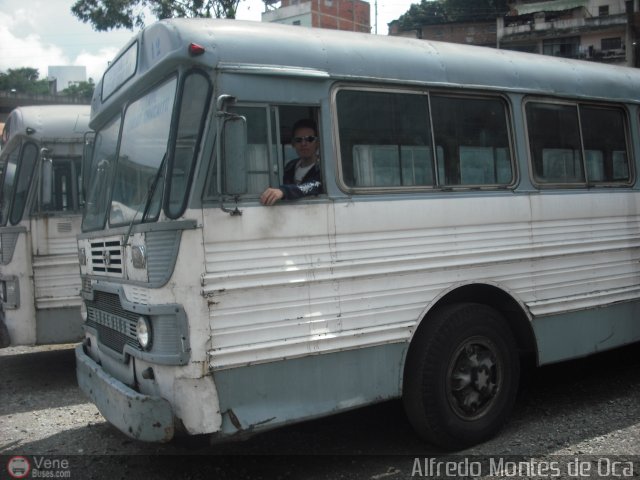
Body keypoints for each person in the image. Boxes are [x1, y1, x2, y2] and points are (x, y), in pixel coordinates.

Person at [260, 119, 322, 206]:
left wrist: (283, 191)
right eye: (298, 140)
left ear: (318, 143)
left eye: (309, 139)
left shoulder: (323, 168)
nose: (304, 143)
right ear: (293, 144)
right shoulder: (290, 166)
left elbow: (314, 186)